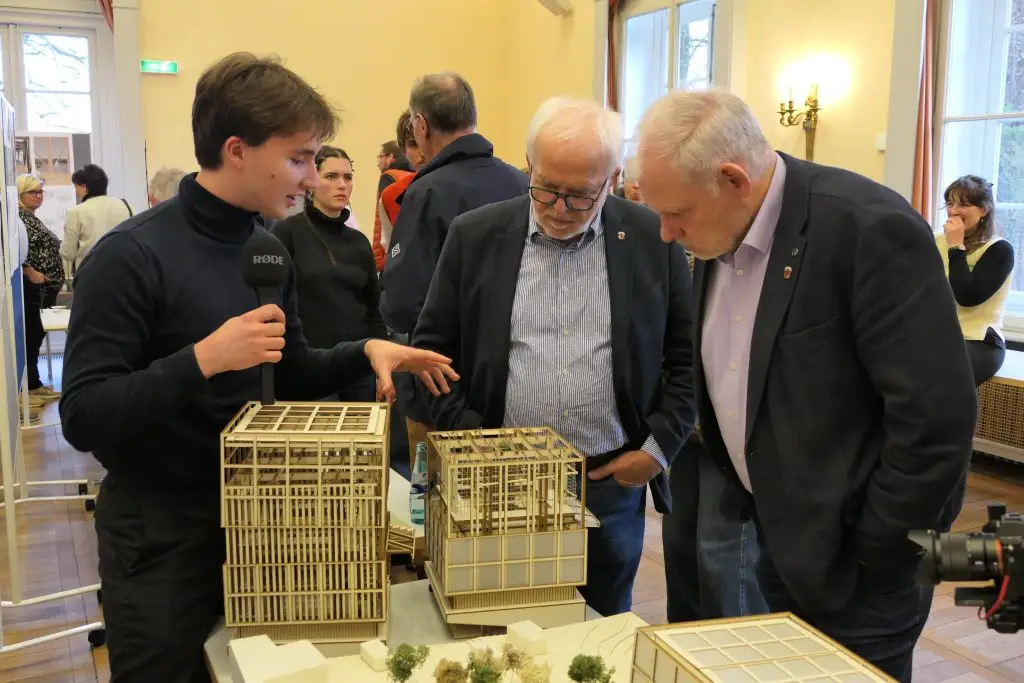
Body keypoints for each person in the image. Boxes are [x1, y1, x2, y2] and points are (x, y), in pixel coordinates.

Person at [59, 52, 457, 683]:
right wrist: (204, 359)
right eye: (299, 158)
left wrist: (363, 351)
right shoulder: (129, 257)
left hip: (263, 525)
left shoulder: (266, 251)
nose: (311, 176)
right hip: (160, 537)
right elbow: (83, 415)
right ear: (237, 150)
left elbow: (290, 371)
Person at [636, 89, 975, 682]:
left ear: (733, 180)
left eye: (677, 213)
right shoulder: (719, 227)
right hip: (779, 538)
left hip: (862, 566)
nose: (666, 233)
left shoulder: (869, 229)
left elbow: (937, 421)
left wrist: (876, 550)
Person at [412, 97, 695, 617]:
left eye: (580, 195)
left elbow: (689, 360)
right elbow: (432, 354)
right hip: (499, 482)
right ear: (528, 166)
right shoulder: (476, 235)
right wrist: (474, 439)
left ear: (611, 180)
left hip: (607, 480)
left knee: (601, 626)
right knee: (500, 620)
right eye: (545, 189)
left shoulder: (653, 240)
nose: (559, 209)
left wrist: (656, 450)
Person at [379, 72, 528, 465]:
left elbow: (402, 303)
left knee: (437, 495)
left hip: (443, 388)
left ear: (420, 126)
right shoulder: (522, 184)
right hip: (516, 386)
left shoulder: (427, 192)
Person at [271, 146, 385, 401]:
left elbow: (374, 309)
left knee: (363, 429)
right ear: (311, 182)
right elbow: (275, 304)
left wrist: (380, 364)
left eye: (348, 177)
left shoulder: (358, 242)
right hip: (312, 368)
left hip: (358, 367)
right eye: (331, 176)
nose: (342, 185)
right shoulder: (287, 232)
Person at [937, 175, 1015, 386]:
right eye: (950, 203)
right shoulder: (935, 241)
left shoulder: (1000, 249)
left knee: (937, 377)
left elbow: (967, 297)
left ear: (984, 210)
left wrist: (956, 247)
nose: (954, 211)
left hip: (979, 340)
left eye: (963, 204)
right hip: (937, 334)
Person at [17, 174, 64, 403]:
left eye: (40, 192)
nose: (38, 196)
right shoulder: (19, 218)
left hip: (44, 288)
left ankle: (34, 384)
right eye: (32, 192)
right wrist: (29, 271)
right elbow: (16, 250)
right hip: (33, 288)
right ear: (20, 194)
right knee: (32, 336)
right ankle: (30, 386)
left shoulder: (30, 218)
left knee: (35, 335)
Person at [373, 111, 425, 273]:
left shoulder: (388, 177)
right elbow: (392, 246)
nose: (423, 152)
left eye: (426, 141)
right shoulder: (391, 193)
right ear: (404, 150)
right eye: (414, 144)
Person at [60, 164, 133, 271]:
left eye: (76, 186)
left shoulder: (75, 212)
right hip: (125, 270)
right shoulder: (126, 206)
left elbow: (68, 254)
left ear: (84, 187)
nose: (75, 192)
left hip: (90, 273)